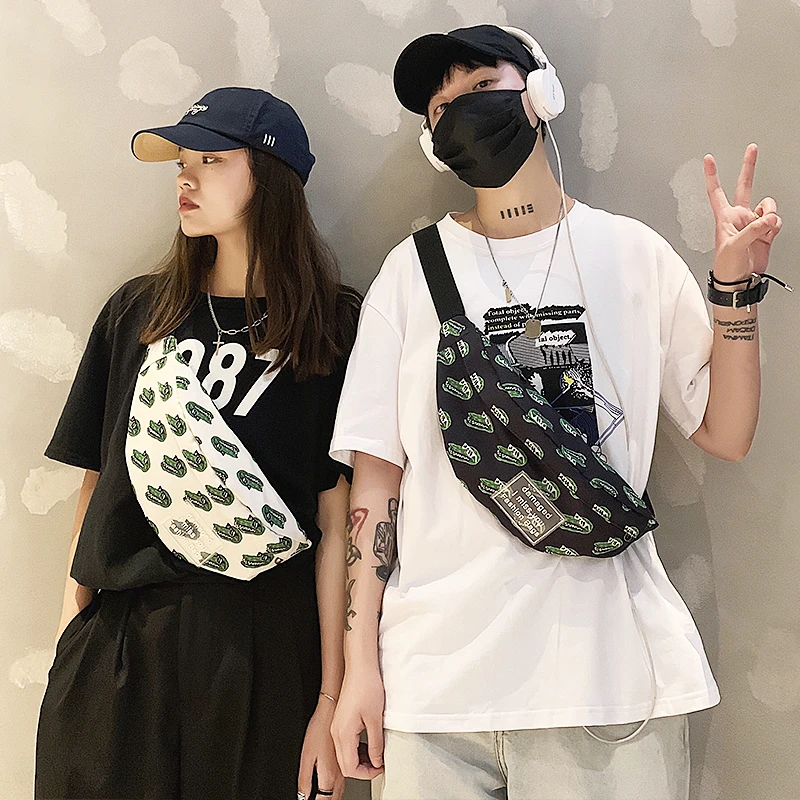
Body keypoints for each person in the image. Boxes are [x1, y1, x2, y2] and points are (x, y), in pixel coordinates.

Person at [328, 24, 786, 800]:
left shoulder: (632, 254)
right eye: (441, 106)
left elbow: (726, 432)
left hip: (605, 685)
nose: (461, 110)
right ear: (434, 144)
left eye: (482, 86)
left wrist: (734, 292)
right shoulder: (410, 275)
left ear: (540, 94)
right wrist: (357, 672)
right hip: (436, 700)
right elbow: (376, 487)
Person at [35, 87, 358, 800]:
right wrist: (70, 638)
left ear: (269, 174)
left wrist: (329, 701)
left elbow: (338, 526)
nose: (185, 177)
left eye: (211, 160)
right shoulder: (139, 312)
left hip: (265, 648)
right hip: (123, 644)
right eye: (183, 161)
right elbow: (99, 483)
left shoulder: (332, 326)